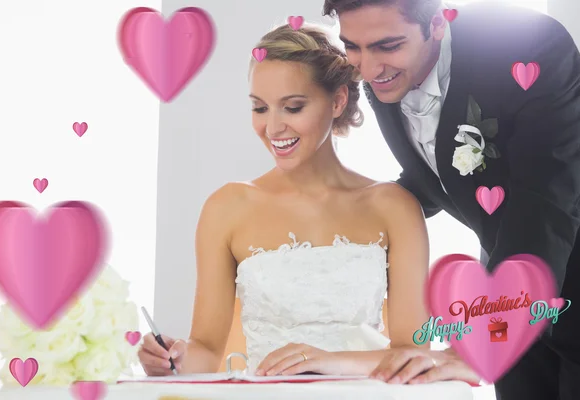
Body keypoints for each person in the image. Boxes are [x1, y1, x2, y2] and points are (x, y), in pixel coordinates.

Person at [138, 23, 478, 386]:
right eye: (259, 108)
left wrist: (329, 361)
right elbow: (205, 351)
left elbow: (414, 352)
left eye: (293, 107)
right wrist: (171, 358)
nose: (272, 128)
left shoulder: (393, 206)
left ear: (338, 101)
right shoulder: (227, 207)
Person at [322, 0, 580, 398]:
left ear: (438, 23)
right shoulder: (384, 73)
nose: (368, 70)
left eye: (387, 46)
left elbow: (543, 196)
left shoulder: (531, 45)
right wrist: (352, 213)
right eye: (353, 46)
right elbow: (438, 173)